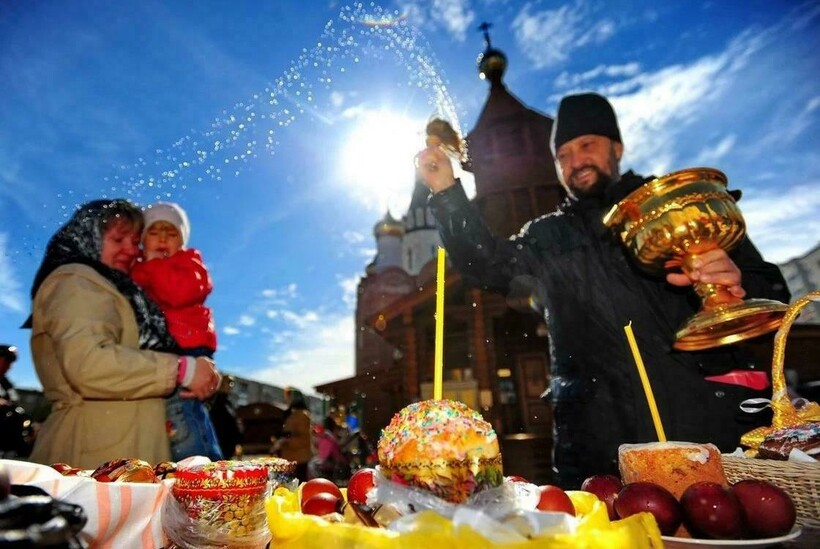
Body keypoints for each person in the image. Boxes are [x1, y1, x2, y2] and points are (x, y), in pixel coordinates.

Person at [415, 93, 791, 488]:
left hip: (710, 433)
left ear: (617, 147)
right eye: (563, 155)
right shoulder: (548, 236)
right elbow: (485, 263)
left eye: (586, 145)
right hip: (598, 450)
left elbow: (773, 293)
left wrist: (736, 285)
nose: (575, 162)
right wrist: (445, 191)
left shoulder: (678, 207)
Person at [25, 199, 221, 470]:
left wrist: (200, 376)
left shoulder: (120, 289)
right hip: (91, 456)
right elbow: (88, 364)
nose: (131, 250)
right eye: (118, 240)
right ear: (89, 236)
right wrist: (183, 369)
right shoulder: (77, 280)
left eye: (134, 242)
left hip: (121, 452)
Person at [131, 201, 222, 461]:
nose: (162, 239)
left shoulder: (188, 263)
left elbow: (177, 293)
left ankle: (202, 469)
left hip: (187, 346)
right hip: (164, 348)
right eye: (154, 232)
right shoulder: (138, 268)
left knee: (183, 413)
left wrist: (153, 265)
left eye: (171, 233)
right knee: (170, 418)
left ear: (181, 241)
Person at [1, 344, 34, 458]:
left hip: (8, 441)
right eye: (6, 360)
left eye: (10, 362)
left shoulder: (6, 384)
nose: (9, 365)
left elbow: (13, 402)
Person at [274, 387, 313, 481]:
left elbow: (303, 439)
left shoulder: (302, 415)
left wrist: (284, 441)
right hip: (291, 458)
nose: (285, 399)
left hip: (299, 459)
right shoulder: (292, 413)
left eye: (288, 397)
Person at [208, 375, 242, 459]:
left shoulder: (228, 402)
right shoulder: (215, 401)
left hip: (228, 446)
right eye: (228, 382)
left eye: (232, 383)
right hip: (221, 445)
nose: (231, 386)